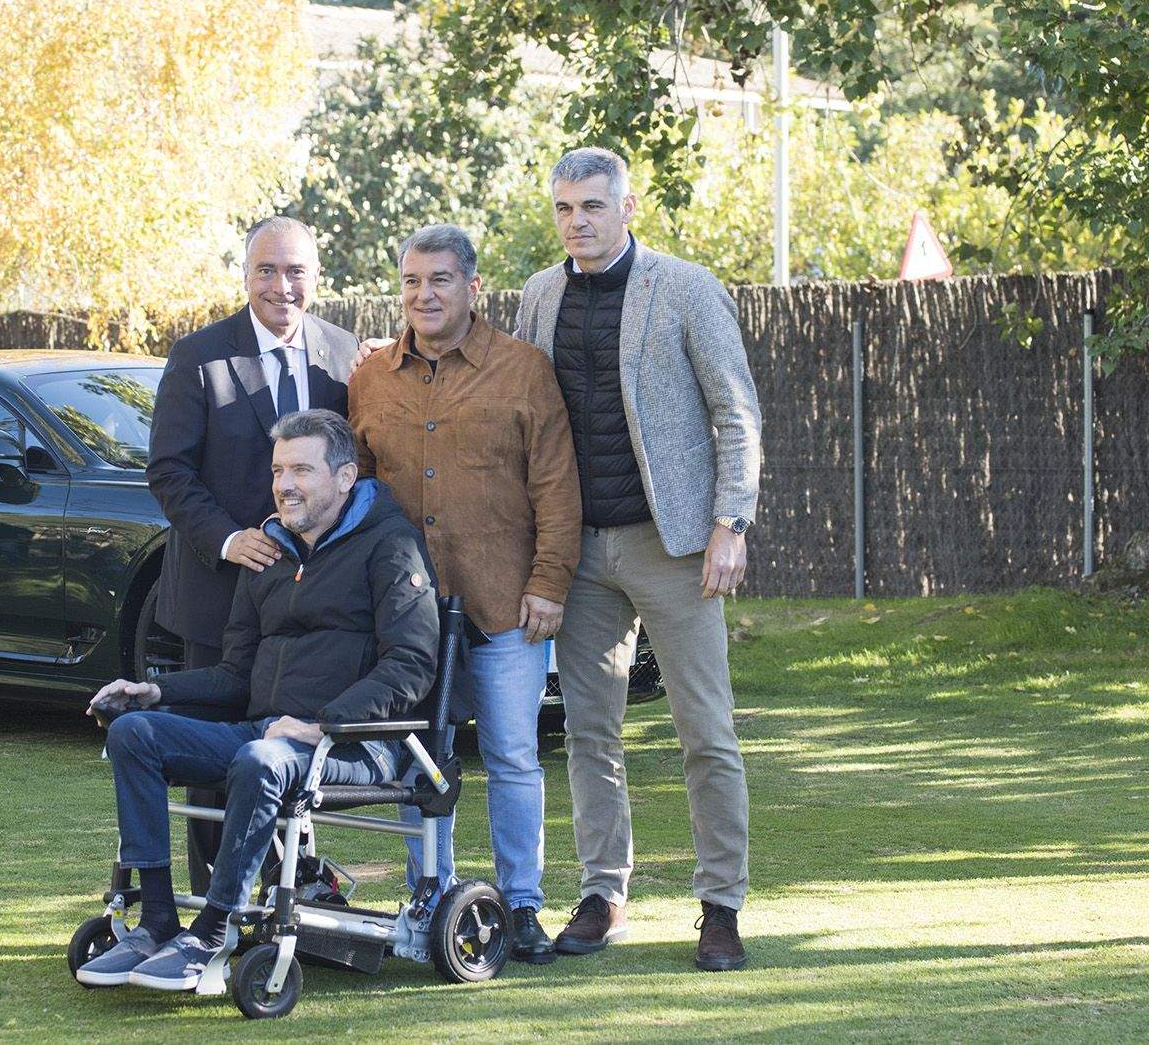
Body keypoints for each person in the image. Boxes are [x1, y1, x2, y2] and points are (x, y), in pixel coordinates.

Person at [77, 409, 439, 991]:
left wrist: (323, 724)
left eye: (302, 469)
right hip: (266, 735)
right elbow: (234, 677)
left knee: (260, 758)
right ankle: (157, 921)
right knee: (134, 733)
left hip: (358, 745)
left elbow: (411, 665)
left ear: (345, 477)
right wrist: (156, 691)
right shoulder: (269, 551)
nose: (285, 484)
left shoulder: (392, 546)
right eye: (277, 471)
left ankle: (214, 930)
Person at [515, 147, 762, 971]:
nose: (577, 220)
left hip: (675, 545)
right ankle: (603, 894)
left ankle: (721, 904)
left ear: (627, 208)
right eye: (563, 208)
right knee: (589, 730)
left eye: (591, 205)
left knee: (706, 731)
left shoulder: (686, 287)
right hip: (578, 548)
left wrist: (733, 520)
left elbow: (736, 410)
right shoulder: (539, 296)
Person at [348, 224, 581, 964]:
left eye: (440, 280)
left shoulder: (524, 371)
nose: (424, 295)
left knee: (513, 756)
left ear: (473, 287)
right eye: (412, 281)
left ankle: (520, 906)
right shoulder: (370, 376)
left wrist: (549, 584)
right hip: (408, 617)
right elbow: (353, 496)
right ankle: (434, 898)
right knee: (426, 760)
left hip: (505, 603)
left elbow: (556, 487)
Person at [145, 216, 360, 886]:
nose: (281, 285)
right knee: (212, 755)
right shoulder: (198, 357)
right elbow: (169, 472)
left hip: (309, 607)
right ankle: (215, 903)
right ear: (245, 275)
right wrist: (228, 540)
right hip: (217, 600)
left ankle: (288, 887)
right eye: (266, 270)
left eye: (295, 271)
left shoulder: (344, 356)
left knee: (290, 745)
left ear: (316, 278)